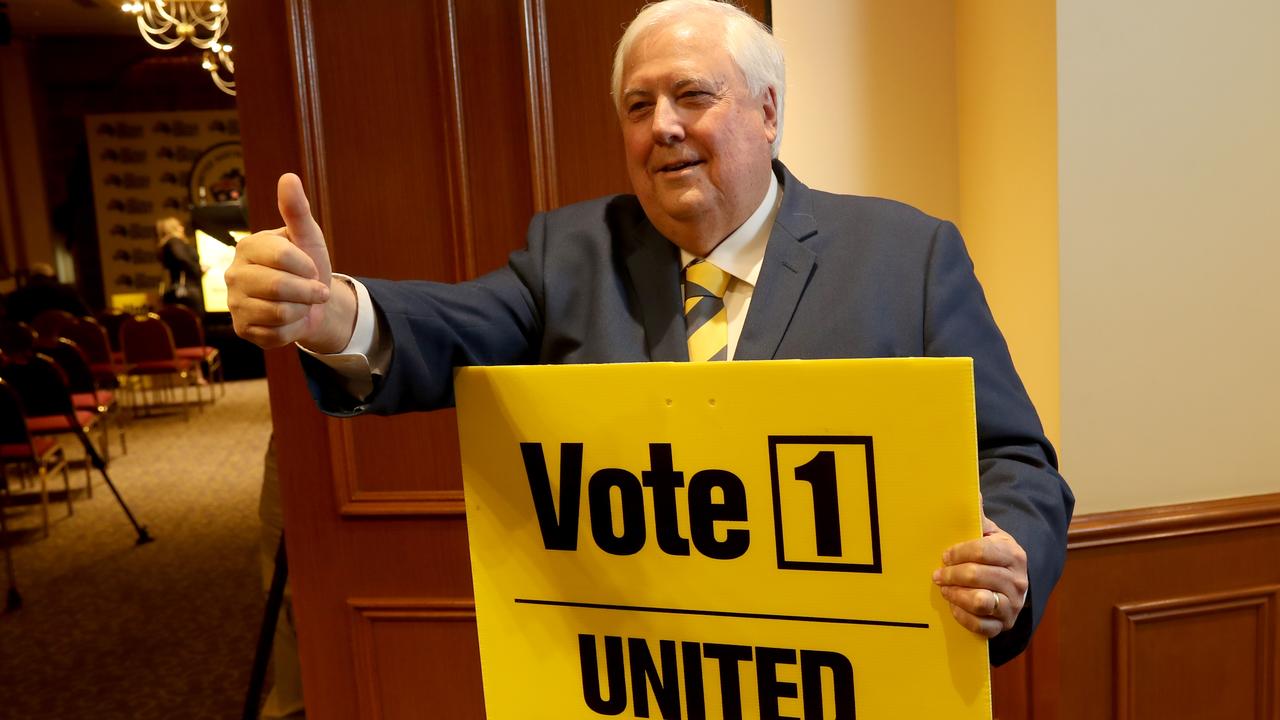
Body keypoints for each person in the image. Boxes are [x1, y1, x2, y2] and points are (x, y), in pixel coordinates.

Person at [224, 0, 1073, 666]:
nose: (661, 124)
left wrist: (1009, 552)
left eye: (692, 94)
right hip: (653, 683)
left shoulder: (909, 256)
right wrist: (338, 314)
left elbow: (1018, 462)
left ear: (768, 111)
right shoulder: (570, 255)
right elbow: (452, 327)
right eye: (639, 105)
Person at [4, 263, 90, 323]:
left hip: (32, 345)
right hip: (68, 340)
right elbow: (86, 316)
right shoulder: (68, 291)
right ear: (52, 276)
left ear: (30, 277)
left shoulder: (16, 296)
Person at [155, 217, 205, 311]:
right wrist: (198, 269)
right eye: (179, 226)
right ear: (173, 228)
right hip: (186, 290)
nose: (182, 228)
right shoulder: (174, 241)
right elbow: (182, 259)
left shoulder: (166, 244)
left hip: (177, 288)